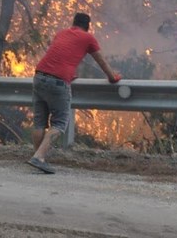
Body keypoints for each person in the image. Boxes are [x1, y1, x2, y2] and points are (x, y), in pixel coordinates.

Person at [27, 12, 121, 174]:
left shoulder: (61, 33)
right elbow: (101, 60)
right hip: (57, 82)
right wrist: (112, 78)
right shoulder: (88, 38)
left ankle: (38, 156)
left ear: (73, 23)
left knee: (39, 122)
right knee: (59, 123)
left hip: (39, 75)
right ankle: (39, 157)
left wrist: (68, 73)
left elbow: (59, 56)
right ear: (87, 26)